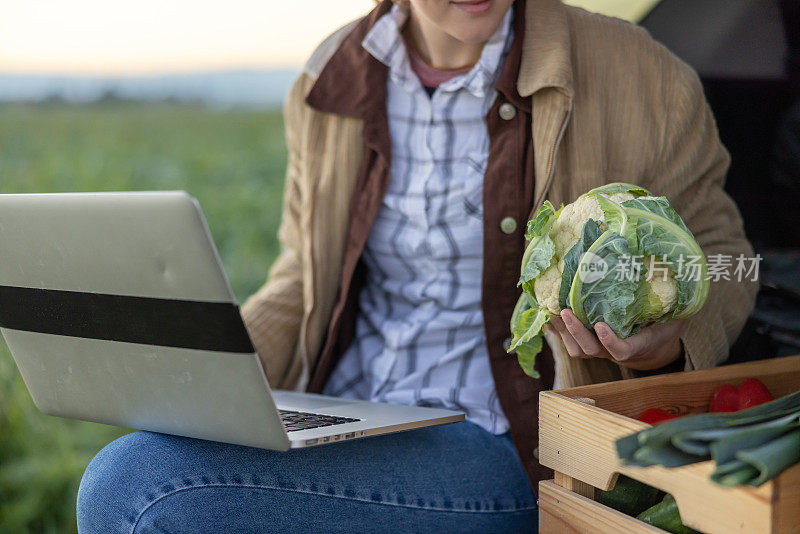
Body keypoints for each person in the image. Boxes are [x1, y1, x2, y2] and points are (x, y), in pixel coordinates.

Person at [76, 0, 757, 531]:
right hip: (342, 415)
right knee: (150, 460)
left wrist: (667, 340)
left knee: (136, 486)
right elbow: (300, 277)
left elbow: (727, 256)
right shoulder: (328, 77)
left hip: (500, 443)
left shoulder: (643, 74)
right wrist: (211, 372)